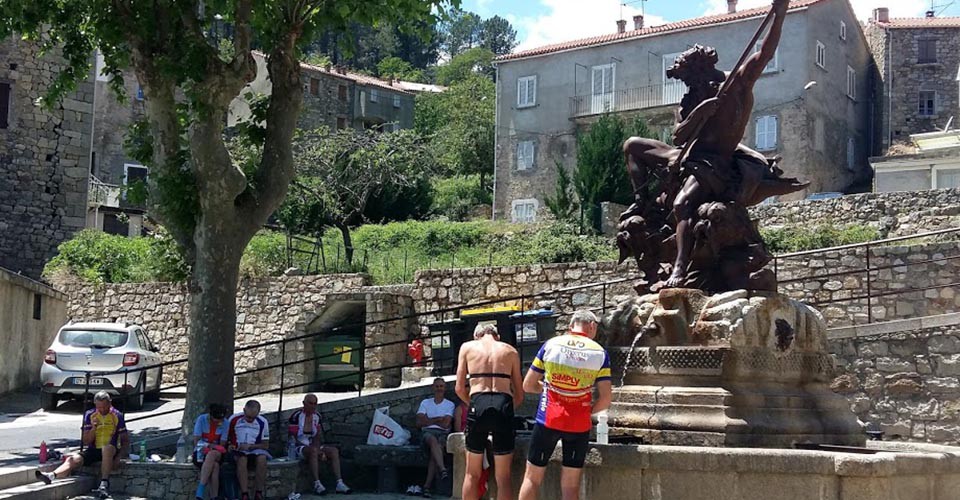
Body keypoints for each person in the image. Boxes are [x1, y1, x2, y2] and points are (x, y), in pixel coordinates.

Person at [621, 0, 802, 290]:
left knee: (682, 204)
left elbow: (765, 53)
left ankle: (679, 270)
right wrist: (700, 112)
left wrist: (779, 14)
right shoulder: (692, 98)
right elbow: (679, 135)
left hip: (713, 164)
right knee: (632, 145)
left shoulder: (737, 85)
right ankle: (641, 199)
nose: (688, 85)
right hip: (686, 154)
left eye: (690, 79)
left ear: (702, 72)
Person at [518, 311, 613, 500]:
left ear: (571, 326)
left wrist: (546, 389)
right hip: (578, 424)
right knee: (570, 487)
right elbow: (606, 398)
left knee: (532, 479)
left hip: (548, 419)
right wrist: (587, 411)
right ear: (592, 326)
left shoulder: (551, 345)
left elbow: (527, 385)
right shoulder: (599, 353)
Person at [455, 323, 523, 500]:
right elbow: (520, 394)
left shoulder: (468, 347)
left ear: (477, 336)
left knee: (472, 473)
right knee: (504, 477)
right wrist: (506, 410)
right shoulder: (510, 351)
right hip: (503, 403)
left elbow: (459, 388)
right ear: (497, 336)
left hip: (478, 401)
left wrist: (473, 406)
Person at [35, 391, 128, 499]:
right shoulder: (90, 415)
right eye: (99, 407)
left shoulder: (117, 415)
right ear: (95, 405)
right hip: (94, 448)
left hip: (111, 449)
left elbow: (125, 441)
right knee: (73, 459)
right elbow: (86, 441)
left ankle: (104, 483)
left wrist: (119, 456)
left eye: (105, 407)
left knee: (107, 448)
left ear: (110, 403)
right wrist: (93, 429)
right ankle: (51, 476)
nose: (102, 410)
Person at [288, 394, 352, 495]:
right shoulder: (296, 416)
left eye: (315, 404)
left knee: (333, 451)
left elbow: (317, 436)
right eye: (310, 403)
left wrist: (319, 449)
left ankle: (339, 483)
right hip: (298, 446)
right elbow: (293, 437)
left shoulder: (317, 416)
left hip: (312, 445)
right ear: (304, 403)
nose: (313, 406)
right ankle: (317, 483)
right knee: (313, 451)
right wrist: (314, 449)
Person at [415, 377, 455, 497]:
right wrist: (438, 419)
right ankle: (442, 470)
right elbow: (419, 422)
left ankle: (427, 487)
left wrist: (429, 420)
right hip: (427, 433)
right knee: (432, 440)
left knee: (434, 452)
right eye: (437, 386)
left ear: (444, 388)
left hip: (443, 434)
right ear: (433, 388)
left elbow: (446, 424)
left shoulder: (450, 404)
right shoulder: (425, 403)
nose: (439, 389)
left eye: (441, 386)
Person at [224, 400, 271, 500]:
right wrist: (230, 446)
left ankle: (258, 492)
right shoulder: (234, 419)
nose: (250, 420)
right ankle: (244, 493)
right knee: (242, 459)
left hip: (255, 449)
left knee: (262, 458)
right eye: (248, 417)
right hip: (238, 450)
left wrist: (250, 447)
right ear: (244, 410)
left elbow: (265, 445)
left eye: (253, 418)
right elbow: (225, 438)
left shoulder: (263, 422)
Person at [193, 403, 228, 500]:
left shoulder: (225, 423)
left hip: (216, 453)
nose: (217, 423)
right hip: (201, 452)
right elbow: (197, 441)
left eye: (220, 421)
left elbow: (222, 444)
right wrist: (210, 445)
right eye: (215, 420)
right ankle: (214, 496)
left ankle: (200, 489)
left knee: (212, 454)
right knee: (215, 466)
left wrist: (212, 447)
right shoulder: (201, 420)